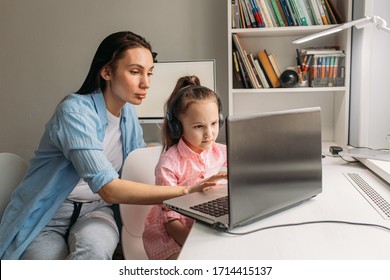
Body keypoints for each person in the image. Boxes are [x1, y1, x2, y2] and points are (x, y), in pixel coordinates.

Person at [0, 31, 226, 260]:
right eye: (135, 72)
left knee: (95, 252)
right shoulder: (74, 112)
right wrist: (186, 191)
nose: (146, 83)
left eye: (149, 73)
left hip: (95, 211)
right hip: (49, 214)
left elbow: (134, 158)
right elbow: (108, 188)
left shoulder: (127, 113)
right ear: (107, 71)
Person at [142, 76, 227, 260]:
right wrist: (198, 250)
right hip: (172, 238)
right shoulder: (169, 165)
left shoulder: (221, 152)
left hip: (204, 224)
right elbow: (171, 223)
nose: (209, 134)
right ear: (177, 127)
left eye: (213, 124)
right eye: (198, 126)